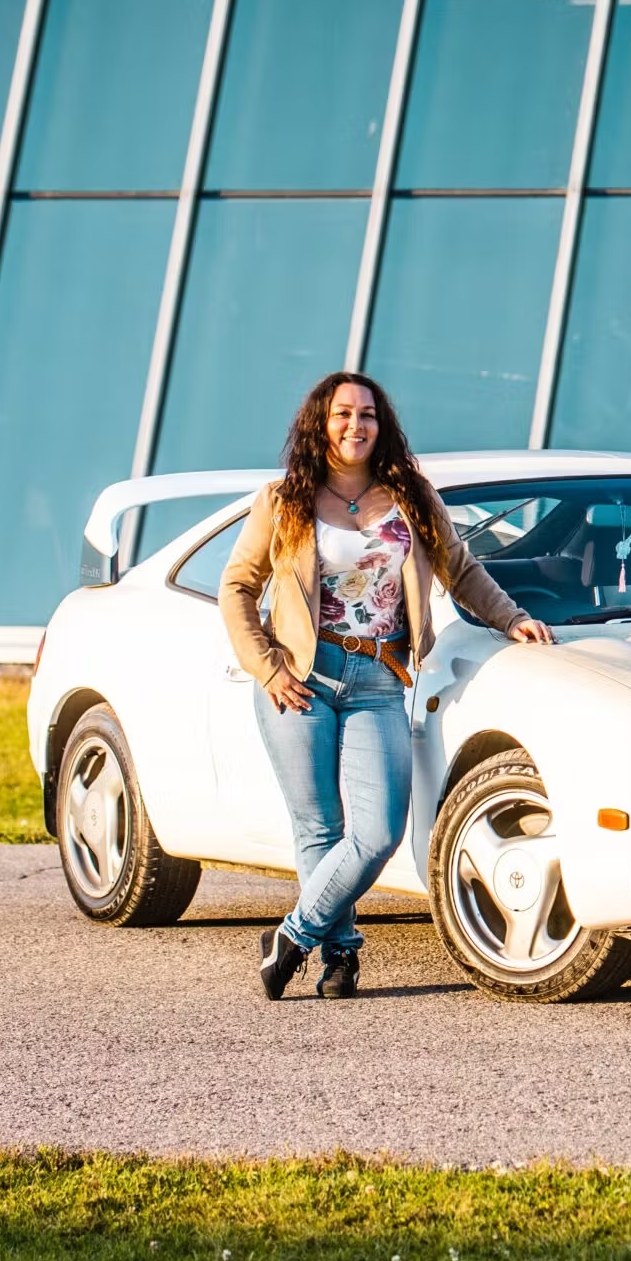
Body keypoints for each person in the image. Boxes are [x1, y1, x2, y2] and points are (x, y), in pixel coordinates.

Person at [219, 371, 552, 999]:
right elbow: (236, 586)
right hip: (301, 677)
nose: (356, 425)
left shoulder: (412, 497)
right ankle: (340, 957)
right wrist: (267, 666)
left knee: (377, 832)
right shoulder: (283, 500)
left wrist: (511, 618)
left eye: (367, 414)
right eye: (343, 413)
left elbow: (461, 570)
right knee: (318, 827)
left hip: (378, 676)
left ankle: (291, 936)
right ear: (320, 423)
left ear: (382, 424)